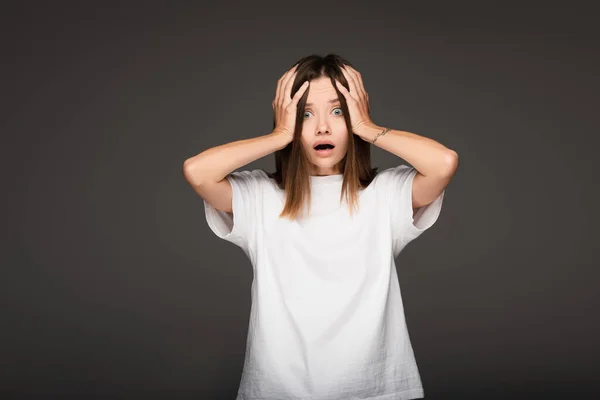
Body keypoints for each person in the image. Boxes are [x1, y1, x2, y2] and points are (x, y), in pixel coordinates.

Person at [183, 54, 459, 400]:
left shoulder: (385, 195)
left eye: (338, 111)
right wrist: (279, 134)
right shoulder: (259, 197)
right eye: (306, 114)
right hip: (277, 391)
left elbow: (443, 164)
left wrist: (368, 128)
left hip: (377, 391)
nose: (322, 128)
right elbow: (198, 171)